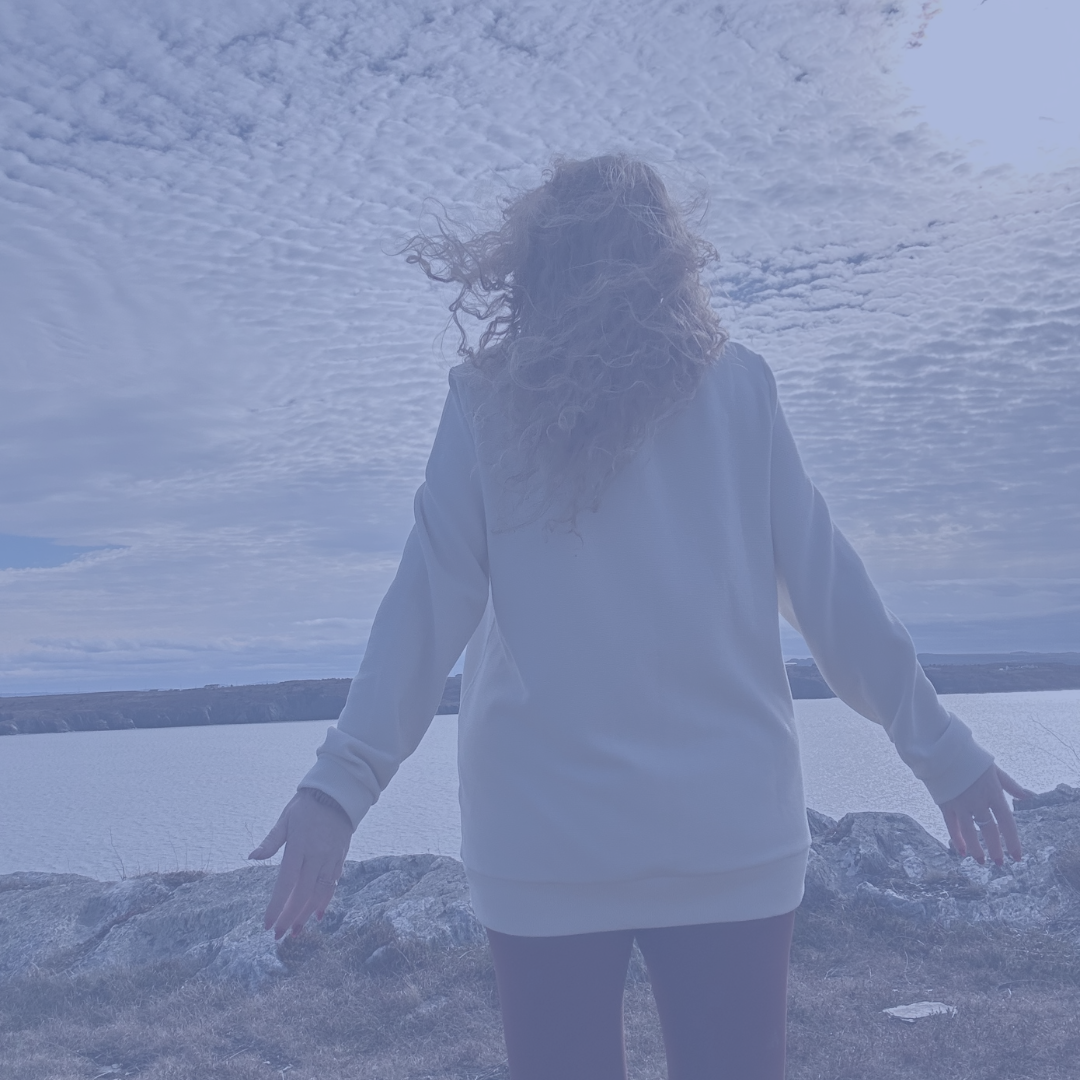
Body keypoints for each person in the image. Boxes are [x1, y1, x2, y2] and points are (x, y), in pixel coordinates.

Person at [249, 155, 1033, 1080]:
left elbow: (423, 609)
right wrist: (942, 753)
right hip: (728, 831)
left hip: (545, 840)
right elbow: (833, 593)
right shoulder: (739, 390)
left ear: (533, 264)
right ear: (671, 263)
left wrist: (339, 787)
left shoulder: (490, 401)